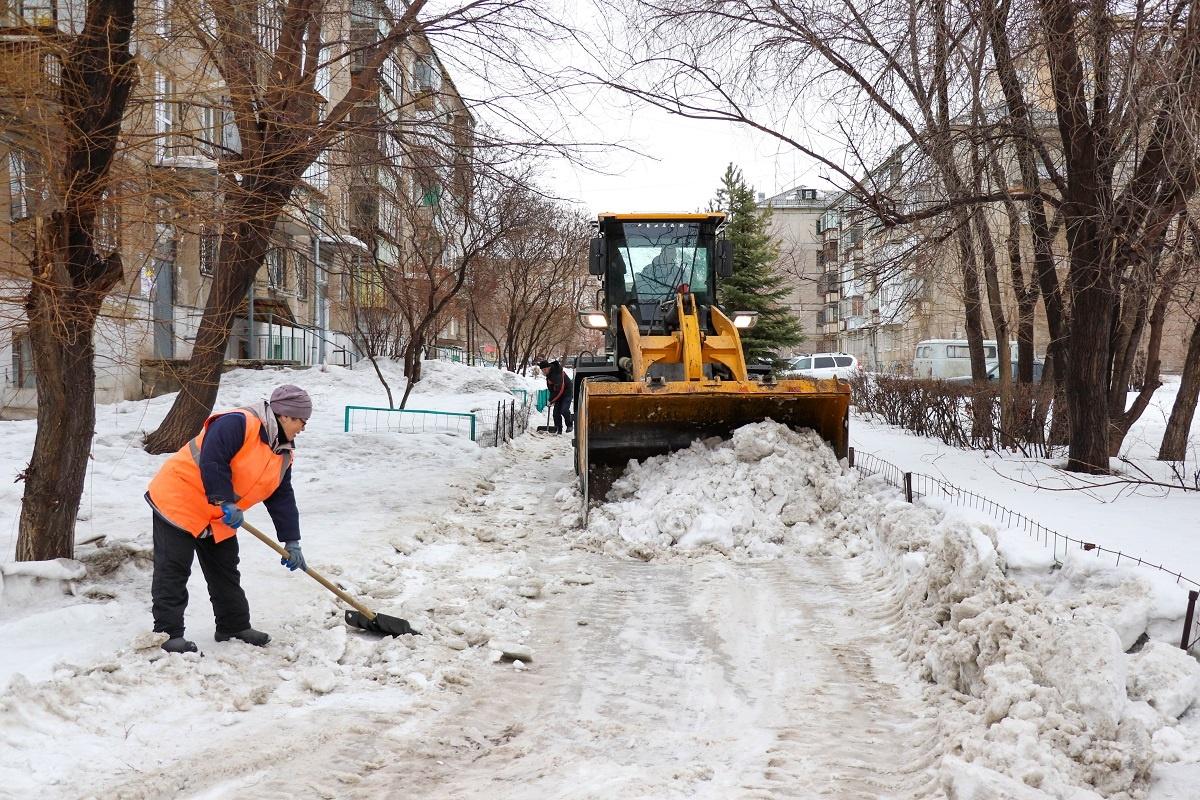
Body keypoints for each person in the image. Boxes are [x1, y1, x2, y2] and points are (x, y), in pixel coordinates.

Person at [145, 385, 313, 653]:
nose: (303, 428)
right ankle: (168, 634)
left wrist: (292, 540)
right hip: (180, 498)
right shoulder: (239, 422)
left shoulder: (282, 453)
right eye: (302, 421)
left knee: (225, 569)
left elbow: (282, 498)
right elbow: (213, 459)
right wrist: (225, 500)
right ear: (286, 416)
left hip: (218, 515)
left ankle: (233, 625)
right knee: (174, 569)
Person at [537, 358, 574, 435]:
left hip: (567, 393)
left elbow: (560, 389)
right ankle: (558, 429)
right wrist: (552, 399)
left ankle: (569, 424)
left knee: (564, 409)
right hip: (558, 394)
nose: (543, 372)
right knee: (556, 413)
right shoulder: (549, 375)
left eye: (544, 370)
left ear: (548, 367)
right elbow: (552, 389)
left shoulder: (557, 373)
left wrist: (551, 400)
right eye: (542, 370)